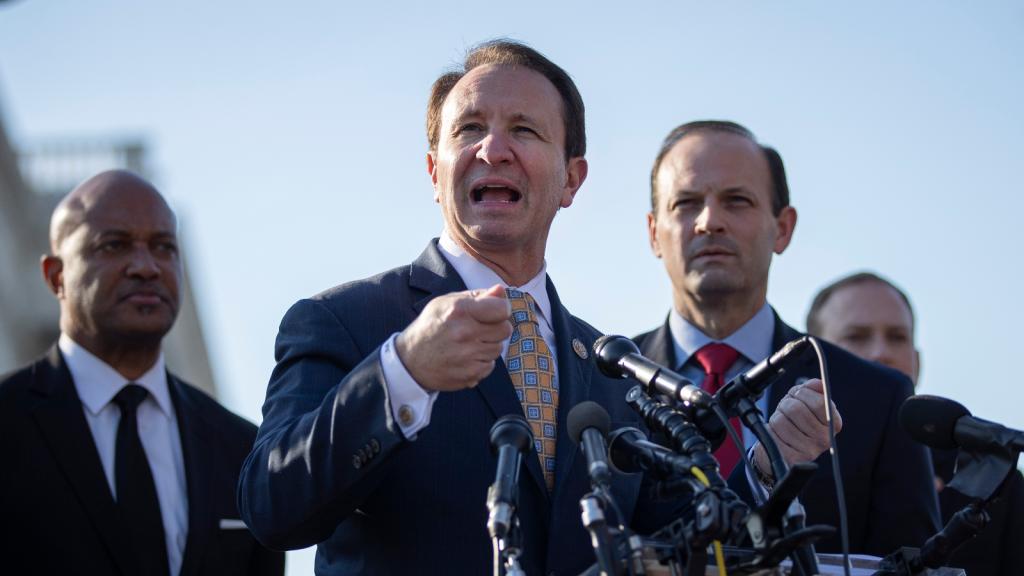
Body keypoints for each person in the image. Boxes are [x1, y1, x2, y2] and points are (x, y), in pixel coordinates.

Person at [238, 40, 688, 576]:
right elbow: (271, 507)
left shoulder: (612, 369)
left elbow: (678, 540)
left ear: (572, 178)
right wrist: (402, 372)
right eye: (469, 129)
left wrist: (764, 462)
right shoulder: (345, 322)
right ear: (434, 171)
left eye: (524, 130)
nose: (493, 149)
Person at [635, 120, 940, 557]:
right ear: (653, 233)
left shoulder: (876, 396)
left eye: (736, 201)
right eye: (686, 203)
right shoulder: (600, 385)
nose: (709, 221)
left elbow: (911, 562)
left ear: (783, 228)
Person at [0, 170, 284, 576]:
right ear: (56, 276)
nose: (146, 266)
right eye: (114, 245)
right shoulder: (8, 423)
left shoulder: (241, 449)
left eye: (164, 246)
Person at [807, 271, 1024, 576]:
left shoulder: (993, 483)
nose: (881, 353)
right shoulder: (785, 468)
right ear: (813, 360)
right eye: (856, 336)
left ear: (918, 361)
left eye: (897, 337)